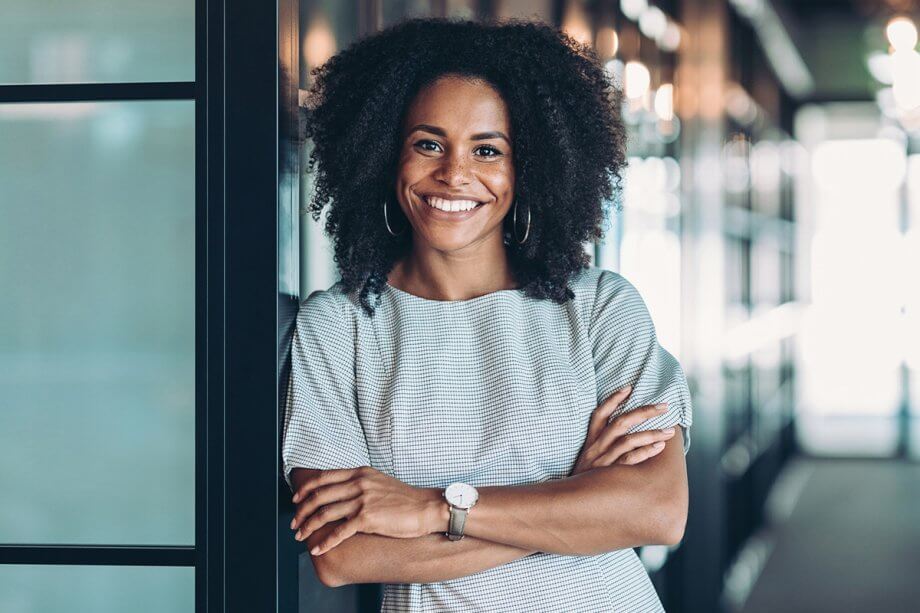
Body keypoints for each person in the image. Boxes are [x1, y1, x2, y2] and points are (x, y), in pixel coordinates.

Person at [282, 17, 692, 612]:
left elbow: (656, 511)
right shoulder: (338, 329)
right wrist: (574, 504)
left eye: (487, 149)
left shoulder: (601, 308)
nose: (454, 173)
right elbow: (344, 555)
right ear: (384, 154)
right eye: (428, 144)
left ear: (529, 166)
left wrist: (434, 509)